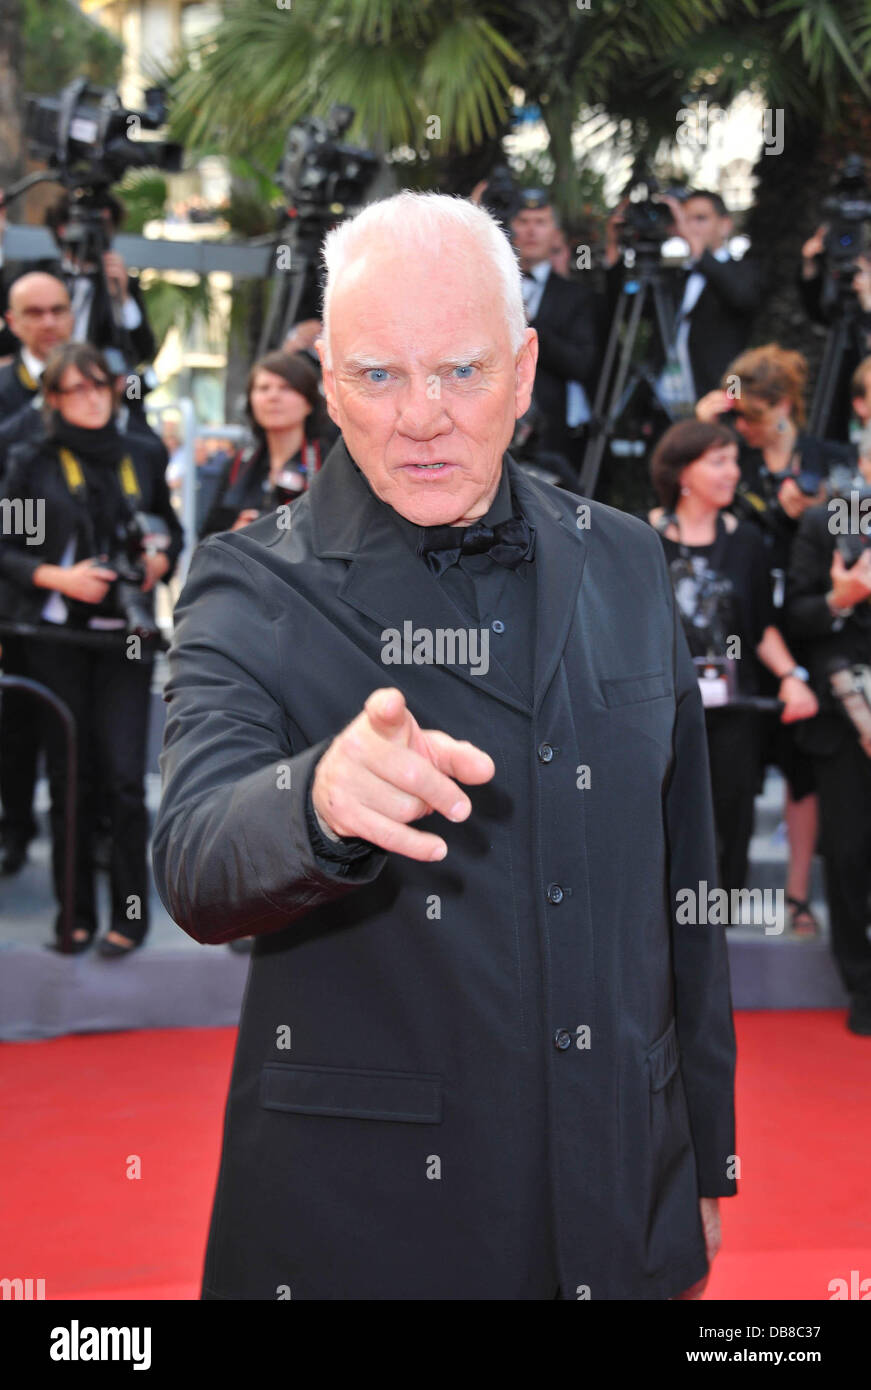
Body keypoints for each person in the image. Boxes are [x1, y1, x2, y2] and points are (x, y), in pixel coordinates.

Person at [152, 191, 736, 1302]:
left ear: (521, 372)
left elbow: (685, 878)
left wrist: (703, 1147)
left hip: (623, 1186)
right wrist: (314, 803)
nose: (422, 415)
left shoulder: (621, 559)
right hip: (369, 1223)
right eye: (378, 375)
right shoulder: (249, 580)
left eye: (460, 372)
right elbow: (193, 857)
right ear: (328, 386)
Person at [0, 343, 183, 954]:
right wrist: (60, 578)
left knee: (127, 779)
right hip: (55, 638)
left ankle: (130, 917)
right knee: (70, 775)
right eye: (74, 390)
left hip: (127, 639)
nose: (90, 398)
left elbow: (168, 525)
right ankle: (73, 914)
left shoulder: (142, 453)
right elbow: (10, 550)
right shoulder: (33, 459)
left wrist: (160, 556)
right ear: (52, 399)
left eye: (99, 387)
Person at [696, 344, 854, 934]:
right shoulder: (728, 455)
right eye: (736, 419)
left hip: (811, 624)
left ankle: (795, 895)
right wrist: (703, 426)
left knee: (802, 764)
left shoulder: (830, 459)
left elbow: (856, 529)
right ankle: (714, 894)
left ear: (784, 406)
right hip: (745, 629)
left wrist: (819, 510)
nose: (744, 429)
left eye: (752, 417)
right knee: (733, 762)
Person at [647, 420, 818, 905]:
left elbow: (761, 626)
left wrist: (791, 676)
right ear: (683, 470)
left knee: (732, 823)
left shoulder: (747, 542)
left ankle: (717, 935)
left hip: (733, 715)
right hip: (663, 713)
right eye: (718, 461)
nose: (733, 472)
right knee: (664, 822)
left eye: (734, 461)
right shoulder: (642, 538)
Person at [785, 435, 871, 1035]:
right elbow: (797, 614)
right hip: (844, 723)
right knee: (849, 856)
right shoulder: (829, 521)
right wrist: (842, 598)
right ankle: (863, 986)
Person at [605, 189, 762, 408]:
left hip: (715, 400)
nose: (689, 227)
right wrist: (615, 249)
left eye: (700, 218)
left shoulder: (744, 271)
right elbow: (628, 310)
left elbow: (742, 297)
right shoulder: (673, 277)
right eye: (684, 219)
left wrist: (698, 251)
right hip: (663, 404)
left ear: (725, 225)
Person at [510, 191, 599, 484]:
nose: (532, 230)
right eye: (523, 221)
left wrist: (529, 325)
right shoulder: (485, 289)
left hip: (554, 432)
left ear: (556, 234)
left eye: (541, 221)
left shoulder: (577, 296)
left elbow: (581, 363)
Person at [199, 351, 328, 537]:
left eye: (286, 388)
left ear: (309, 402)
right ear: (250, 401)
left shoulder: (329, 462)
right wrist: (234, 535)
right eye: (263, 388)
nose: (273, 397)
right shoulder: (239, 465)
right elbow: (206, 539)